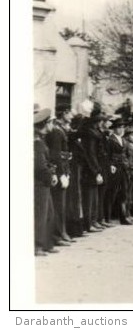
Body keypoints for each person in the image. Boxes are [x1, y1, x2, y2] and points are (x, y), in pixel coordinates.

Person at [45, 104, 73, 246]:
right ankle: (58, 234)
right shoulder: (56, 132)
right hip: (60, 170)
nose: (71, 116)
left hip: (63, 169)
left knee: (61, 205)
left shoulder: (59, 130)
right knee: (59, 205)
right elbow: (56, 155)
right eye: (69, 113)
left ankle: (61, 233)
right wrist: (62, 173)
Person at [34, 106, 57, 256]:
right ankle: (38, 246)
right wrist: (51, 176)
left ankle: (47, 244)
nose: (51, 126)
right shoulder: (38, 143)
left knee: (48, 213)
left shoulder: (39, 140)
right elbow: (40, 167)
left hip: (43, 182)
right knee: (42, 215)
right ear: (44, 125)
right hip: (40, 184)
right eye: (50, 123)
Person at [78, 111, 107, 232]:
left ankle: (93, 221)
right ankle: (89, 223)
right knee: (89, 197)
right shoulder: (90, 134)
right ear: (95, 122)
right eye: (100, 120)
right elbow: (90, 154)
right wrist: (96, 171)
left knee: (94, 196)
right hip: (90, 168)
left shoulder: (95, 132)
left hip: (95, 167)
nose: (101, 123)